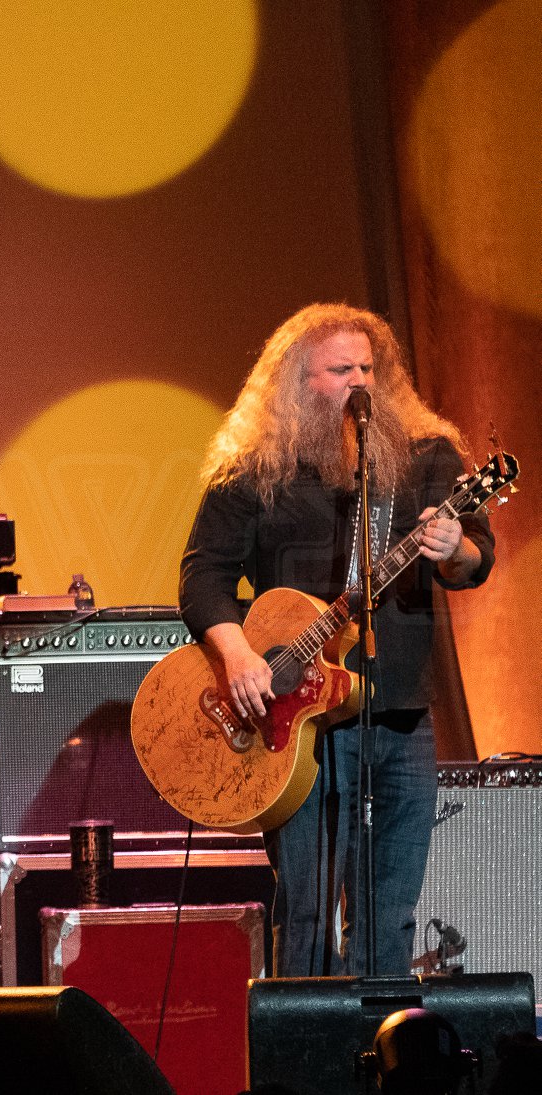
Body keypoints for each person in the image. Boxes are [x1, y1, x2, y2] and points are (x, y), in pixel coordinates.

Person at [179, 304, 494, 977]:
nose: (359, 382)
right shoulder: (253, 467)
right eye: (339, 369)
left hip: (397, 708)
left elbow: (475, 561)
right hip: (300, 728)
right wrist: (237, 655)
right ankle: (304, 1061)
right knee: (307, 912)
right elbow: (203, 575)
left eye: (367, 368)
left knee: (389, 912)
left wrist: (453, 547)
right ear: (297, 381)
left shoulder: (426, 457)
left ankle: (380, 1056)